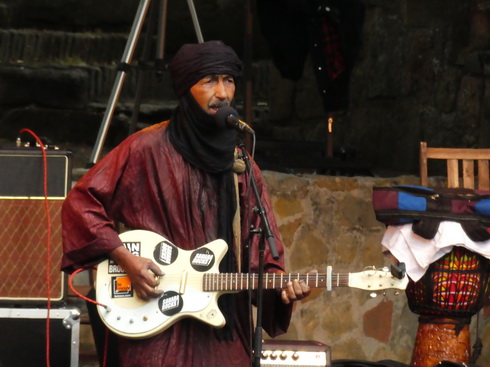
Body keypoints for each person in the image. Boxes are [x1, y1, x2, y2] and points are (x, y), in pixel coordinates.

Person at [61, 40, 311, 367]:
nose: (222, 93)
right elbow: (81, 202)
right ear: (185, 88)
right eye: (209, 81)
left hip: (221, 324)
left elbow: (260, 247)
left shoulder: (241, 164)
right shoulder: (145, 148)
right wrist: (126, 259)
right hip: (154, 322)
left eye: (229, 80)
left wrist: (279, 288)